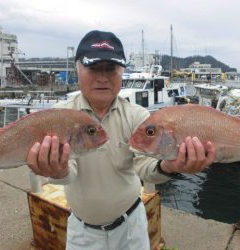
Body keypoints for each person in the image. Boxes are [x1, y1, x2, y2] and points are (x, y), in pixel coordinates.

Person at [27, 30, 215, 250]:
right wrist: (56, 171)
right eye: (94, 68)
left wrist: (170, 166)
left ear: (122, 72)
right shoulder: (59, 116)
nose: (103, 77)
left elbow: (145, 168)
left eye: (111, 68)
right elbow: (69, 172)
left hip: (131, 227)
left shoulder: (138, 116)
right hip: (82, 233)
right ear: (77, 68)